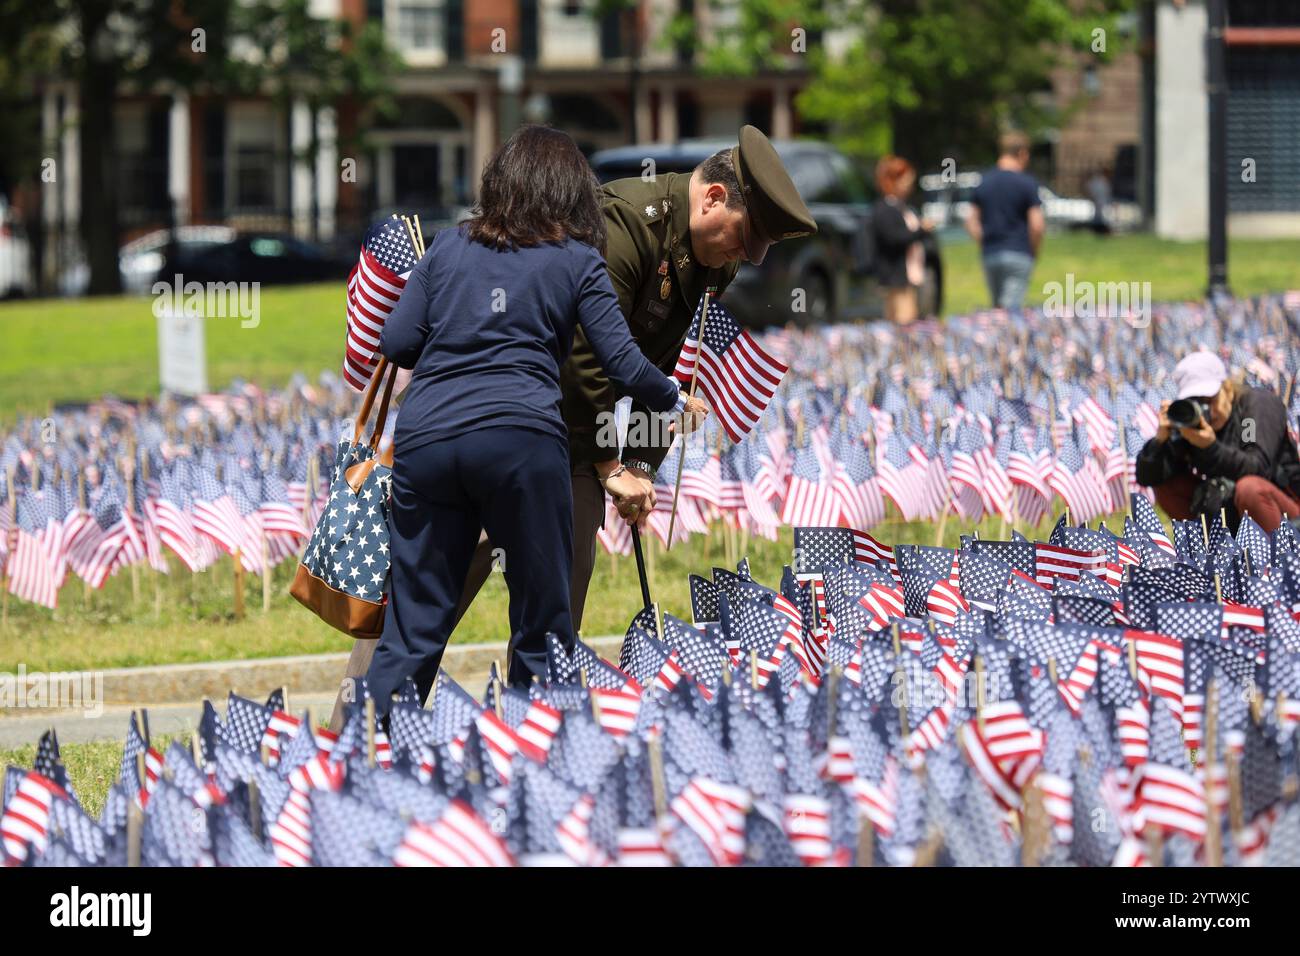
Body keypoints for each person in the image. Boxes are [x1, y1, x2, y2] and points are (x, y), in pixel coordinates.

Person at [330, 125, 815, 727]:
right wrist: (613, 465)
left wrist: (640, 463)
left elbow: (669, 357)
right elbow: (592, 356)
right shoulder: (622, 226)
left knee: (518, 606)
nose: (745, 256)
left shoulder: (707, 257)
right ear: (714, 198)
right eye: (745, 237)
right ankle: (373, 736)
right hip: (535, 434)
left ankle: (484, 744)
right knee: (460, 605)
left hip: (502, 439)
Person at [361, 125, 706, 710]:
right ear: (571, 192)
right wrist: (674, 397)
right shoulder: (577, 261)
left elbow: (396, 340)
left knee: (415, 623)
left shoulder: (447, 246)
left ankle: (368, 754)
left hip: (429, 440)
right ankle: (531, 748)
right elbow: (621, 362)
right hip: (523, 442)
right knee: (543, 627)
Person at [1135, 351, 1300, 533]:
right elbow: (1147, 478)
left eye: (1209, 400)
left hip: (1284, 513)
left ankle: (1281, 556)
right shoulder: (1192, 424)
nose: (1207, 411)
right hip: (1229, 512)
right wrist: (1160, 441)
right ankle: (1208, 552)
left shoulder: (1251, 410)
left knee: (1249, 488)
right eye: (1195, 402)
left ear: (1227, 388)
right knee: (1166, 483)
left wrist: (1210, 447)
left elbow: (1257, 467)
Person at [965, 131, 1045, 312]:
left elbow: (970, 221)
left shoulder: (984, 181)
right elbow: (1037, 225)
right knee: (1009, 313)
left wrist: (984, 241)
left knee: (997, 308)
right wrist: (1034, 250)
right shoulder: (1026, 183)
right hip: (1018, 251)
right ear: (1022, 153)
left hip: (991, 253)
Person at [871, 155, 932, 325]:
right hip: (895, 275)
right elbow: (895, 238)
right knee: (904, 322)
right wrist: (921, 230)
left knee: (902, 320)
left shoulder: (899, 206)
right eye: (906, 180)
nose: (909, 185)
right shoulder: (886, 209)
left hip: (904, 274)